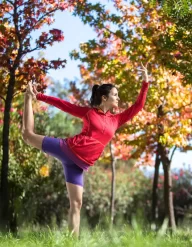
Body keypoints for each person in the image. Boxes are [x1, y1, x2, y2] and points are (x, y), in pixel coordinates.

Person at [21, 63, 149, 237]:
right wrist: (39, 96)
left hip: (79, 166)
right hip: (67, 149)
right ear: (104, 98)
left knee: (77, 203)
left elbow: (138, 107)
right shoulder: (89, 113)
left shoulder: (116, 120)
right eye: (115, 95)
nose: (118, 98)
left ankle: (72, 241)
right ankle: (28, 98)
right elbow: (63, 105)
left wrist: (145, 82)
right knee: (27, 136)